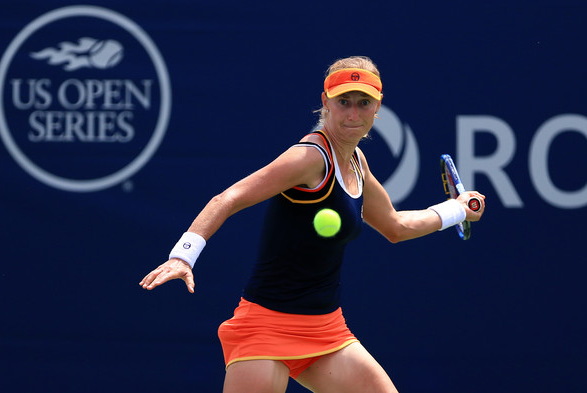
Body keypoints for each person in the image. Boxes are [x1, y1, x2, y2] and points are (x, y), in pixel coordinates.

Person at [140, 55, 485, 393]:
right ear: (326, 102)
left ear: (377, 107)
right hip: (265, 327)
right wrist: (183, 255)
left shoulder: (356, 161)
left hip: (327, 330)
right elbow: (227, 199)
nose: (353, 113)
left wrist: (456, 209)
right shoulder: (308, 158)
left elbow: (394, 226)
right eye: (343, 102)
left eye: (363, 103)